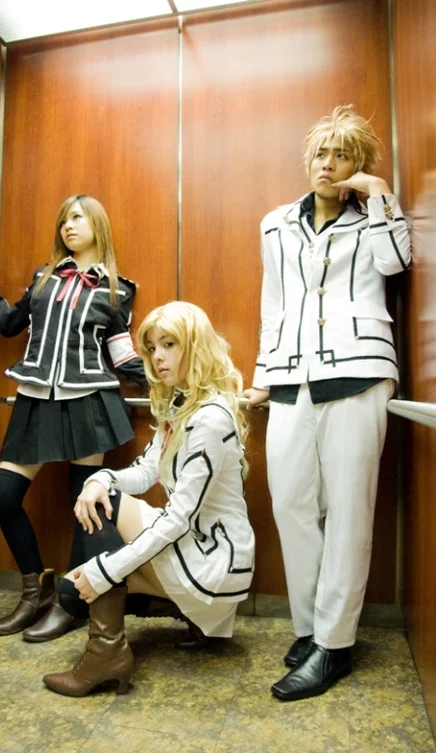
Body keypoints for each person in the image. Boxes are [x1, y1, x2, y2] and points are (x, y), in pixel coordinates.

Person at [244, 106, 411, 701]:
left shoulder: (372, 220)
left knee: (347, 510)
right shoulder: (275, 225)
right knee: (291, 502)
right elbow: (274, 306)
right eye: (321, 153)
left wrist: (379, 192)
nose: (328, 164)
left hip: (361, 371)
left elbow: (396, 262)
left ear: (355, 166)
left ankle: (334, 645)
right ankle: (311, 628)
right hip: (293, 376)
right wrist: (263, 376)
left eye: (342, 155)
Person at [41, 301, 255, 697]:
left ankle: (105, 654)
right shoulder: (181, 404)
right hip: (198, 545)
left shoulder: (209, 418)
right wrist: (100, 477)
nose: (157, 357)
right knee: (74, 588)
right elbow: (144, 473)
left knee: (101, 527)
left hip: (215, 559)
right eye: (153, 347)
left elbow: (177, 519)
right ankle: (189, 617)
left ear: (196, 346)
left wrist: (105, 571)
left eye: (169, 344)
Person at [0, 194, 147, 641]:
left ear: (97, 225)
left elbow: (123, 355)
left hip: (89, 401)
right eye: (64, 219)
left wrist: (176, 385)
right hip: (35, 398)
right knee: (2, 497)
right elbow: (9, 323)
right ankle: (34, 591)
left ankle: (71, 602)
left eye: (78, 217)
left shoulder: (117, 289)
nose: (68, 225)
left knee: (85, 507)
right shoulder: (43, 278)